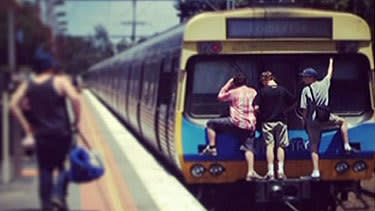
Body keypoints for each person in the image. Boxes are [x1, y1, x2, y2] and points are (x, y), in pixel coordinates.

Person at [10, 47, 81, 211]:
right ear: (50, 65)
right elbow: (76, 98)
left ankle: (46, 206)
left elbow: (13, 104)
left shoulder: (29, 83)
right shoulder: (60, 81)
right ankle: (58, 194)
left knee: (45, 169)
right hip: (61, 133)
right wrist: (77, 121)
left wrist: (27, 126)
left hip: (41, 135)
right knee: (63, 166)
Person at [300, 58, 354, 179]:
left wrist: (304, 123)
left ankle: (315, 171)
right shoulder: (325, 83)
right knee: (342, 121)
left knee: (314, 146)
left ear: (311, 78)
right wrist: (331, 61)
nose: (303, 79)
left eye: (305, 77)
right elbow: (329, 73)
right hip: (325, 118)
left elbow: (304, 109)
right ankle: (346, 145)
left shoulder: (305, 91)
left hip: (312, 121)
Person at [201, 72, 262, 181]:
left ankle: (212, 147)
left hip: (235, 122)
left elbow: (220, 97)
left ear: (235, 83)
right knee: (249, 148)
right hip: (250, 124)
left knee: (211, 123)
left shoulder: (233, 92)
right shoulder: (253, 92)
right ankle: (250, 171)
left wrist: (228, 84)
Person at [254, 71, 295, 180]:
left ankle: (271, 172)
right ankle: (281, 171)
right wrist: (286, 111)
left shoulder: (262, 91)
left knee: (269, 146)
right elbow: (294, 102)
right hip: (281, 121)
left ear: (264, 80)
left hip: (267, 121)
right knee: (281, 146)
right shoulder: (282, 90)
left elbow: (256, 108)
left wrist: (262, 113)